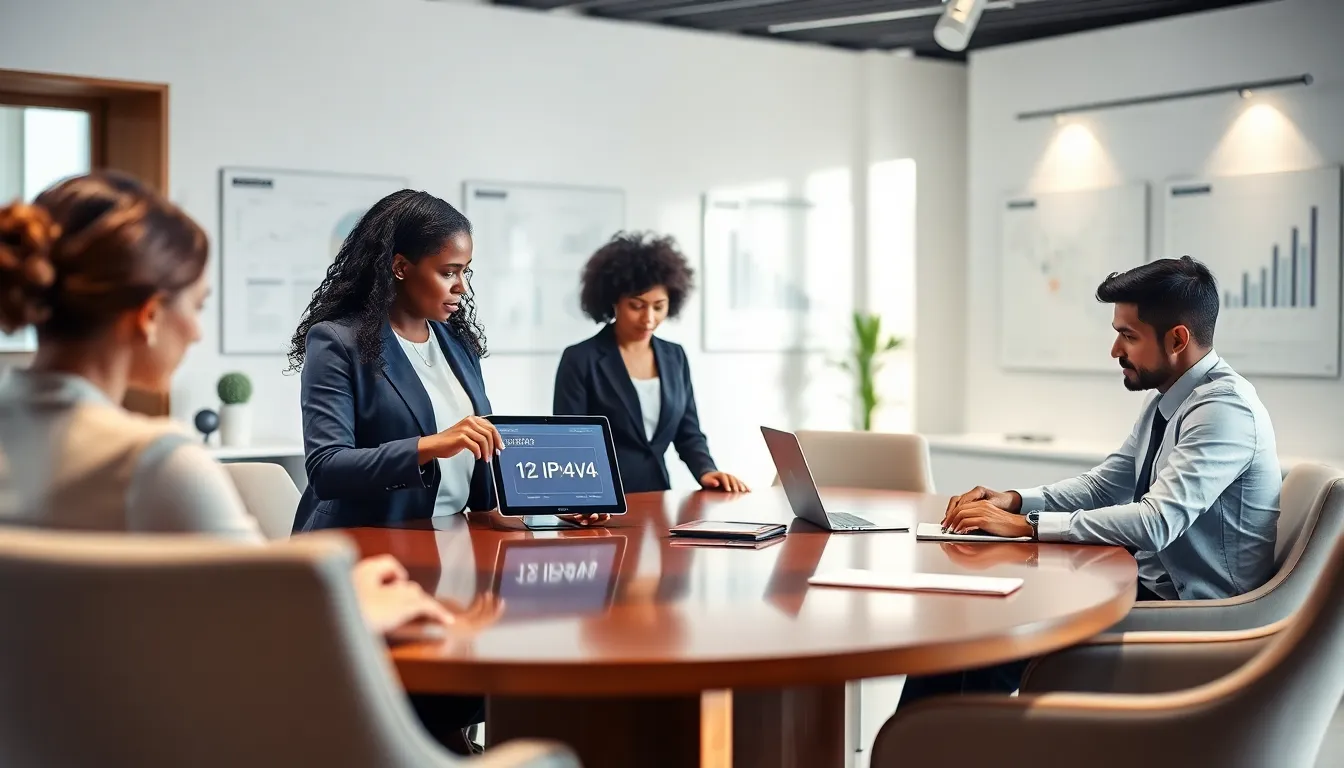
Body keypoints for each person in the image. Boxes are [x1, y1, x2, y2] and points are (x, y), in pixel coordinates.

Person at [0, 172, 460, 639]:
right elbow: (267, 612)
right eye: (197, 307)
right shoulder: (155, 463)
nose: (198, 333)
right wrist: (354, 598)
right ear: (150, 317)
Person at [903, 256, 1281, 706]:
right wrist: (1014, 501)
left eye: (1127, 335)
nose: (1115, 350)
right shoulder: (1171, 397)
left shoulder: (1224, 410)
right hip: (1149, 588)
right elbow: (1105, 485)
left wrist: (1030, 527)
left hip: (1200, 615)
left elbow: (1156, 522)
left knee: (996, 630)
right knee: (966, 623)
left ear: (1177, 338)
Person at [553, 232, 748, 495]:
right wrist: (582, 499)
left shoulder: (674, 356)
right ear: (614, 301)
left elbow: (688, 432)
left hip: (659, 497)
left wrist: (706, 470)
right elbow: (569, 443)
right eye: (637, 305)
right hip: (602, 499)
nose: (648, 319)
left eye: (659, 306)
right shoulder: (580, 359)